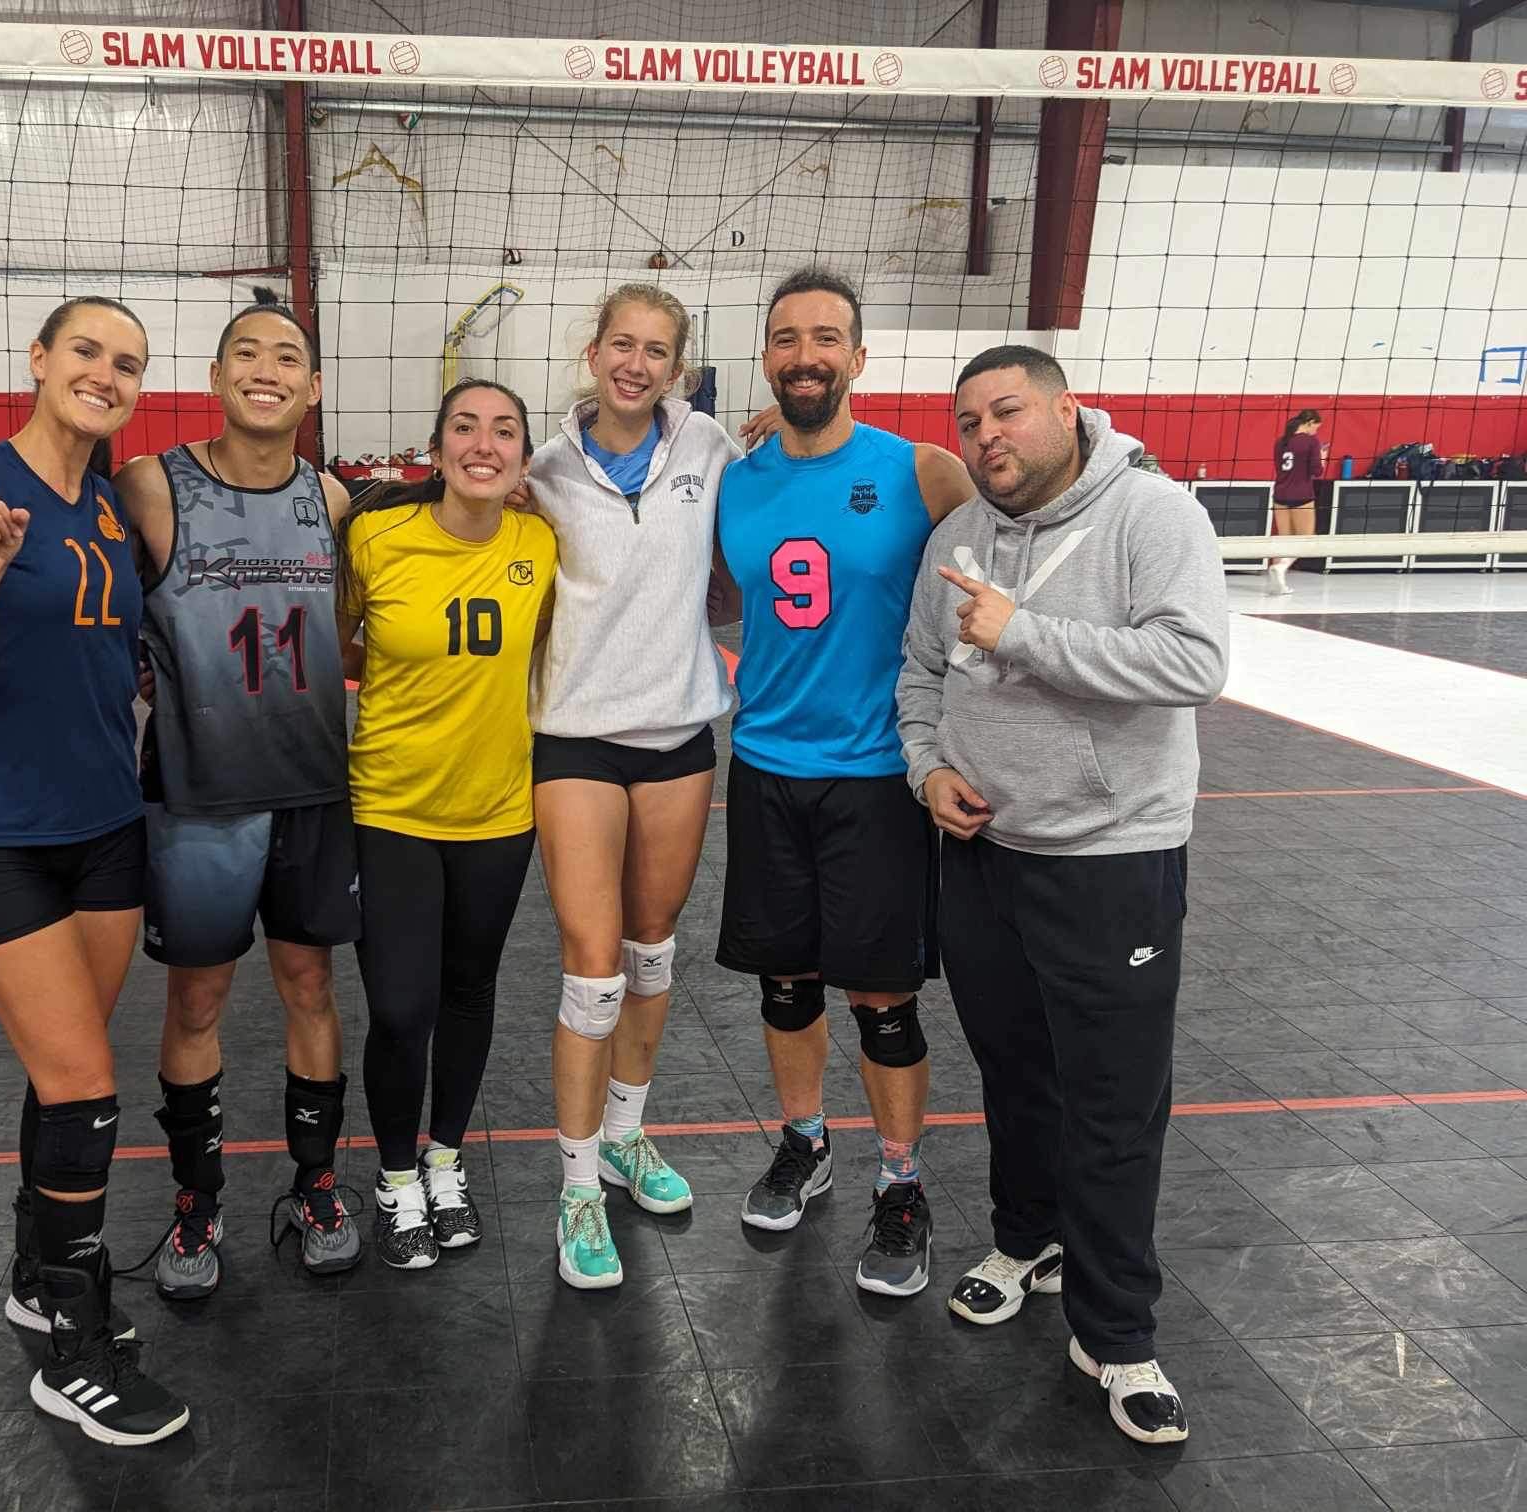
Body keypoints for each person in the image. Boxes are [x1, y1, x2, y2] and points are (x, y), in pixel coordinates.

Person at [898, 344, 1228, 1446]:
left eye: (1007, 412)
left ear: (1066, 410)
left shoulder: (1152, 515)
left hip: (1111, 859)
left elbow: (1193, 664)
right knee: (1016, 1075)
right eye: (969, 422)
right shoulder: (956, 534)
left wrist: (1023, 631)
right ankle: (1026, 1238)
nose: (987, 436)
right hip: (984, 852)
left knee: (1113, 1104)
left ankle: (1117, 1332)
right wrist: (926, 769)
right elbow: (922, 672)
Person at [0, 294, 189, 1446]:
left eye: (128, 363)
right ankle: (74, 1347)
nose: (106, 374)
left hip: (108, 830)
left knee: (60, 1073)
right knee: (83, 1088)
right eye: (87, 350)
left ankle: (37, 1275)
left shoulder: (116, 508)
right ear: (39, 357)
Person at [711, 266, 975, 1298]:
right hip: (766, 768)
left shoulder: (922, 471)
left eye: (826, 338)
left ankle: (901, 1183)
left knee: (881, 999)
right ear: (767, 358)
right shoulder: (737, 479)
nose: (805, 355)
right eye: (787, 338)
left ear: (858, 358)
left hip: (876, 778)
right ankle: (806, 1142)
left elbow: (1014, 544)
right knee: (784, 985)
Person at [111, 289, 362, 1299]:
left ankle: (317, 1187)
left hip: (312, 790)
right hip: (199, 795)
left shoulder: (330, 500)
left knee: (311, 988)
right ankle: (196, 1201)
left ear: (313, 387)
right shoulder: (150, 484)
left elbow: (349, 630)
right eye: (246, 354)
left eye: (286, 356)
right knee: (198, 999)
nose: (267, 369)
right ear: (216, 378)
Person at [523, 284, 749, 1290]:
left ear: (677, 367)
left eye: (657, 350)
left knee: (653, 952)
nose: (636, 363)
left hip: (678, 736)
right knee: (594, 969)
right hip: (576, 739)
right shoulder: (543, 469)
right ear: (595, 352)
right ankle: (576, 1187)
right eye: (623, 343)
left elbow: (756, 532)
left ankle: (625, 1135)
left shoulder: (709, 448)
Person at [335, 380, 557, 1268]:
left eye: (504, 431)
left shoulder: (539, 542)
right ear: (436, 450)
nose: (483, 444)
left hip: (499, 811)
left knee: (470, 991)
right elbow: (336, 641)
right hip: (391, 805)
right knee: (400, 1007)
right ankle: (395, 1177)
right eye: (465, 427)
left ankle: (444, 1160)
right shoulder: (376, 537)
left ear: (523, 460)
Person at [1267, 409, 1324, 594]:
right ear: (1309, 422)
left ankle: (1277, 584)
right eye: (1316, 427)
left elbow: (1280, 468)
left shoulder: (1280, 442)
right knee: (1306, 540)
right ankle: (1281, 567)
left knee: (1285, 539)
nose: (1316, 431)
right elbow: (1317, 471)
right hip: (1301, 495)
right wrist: (1323, 457)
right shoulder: (1311, 442)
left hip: (1280, 494)